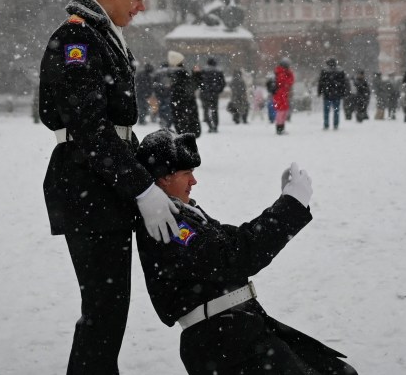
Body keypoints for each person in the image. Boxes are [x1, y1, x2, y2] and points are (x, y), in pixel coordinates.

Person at [37, 0, 180, 375]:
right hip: (88, 187)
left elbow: (111, 129)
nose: (142, 7)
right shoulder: (79, 38)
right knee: (104, 310)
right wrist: (140, 186)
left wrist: (152, 170)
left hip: (101, 185)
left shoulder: (100, 34)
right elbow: (89, 130)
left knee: (109, 310)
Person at [134, 128, 357, 375]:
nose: (194, 181)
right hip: (224, 342)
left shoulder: (181, 212)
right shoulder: (165, 221)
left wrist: (283, 203)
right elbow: (236, 256)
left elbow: (236, 239)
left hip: (234, 332)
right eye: (187, 173)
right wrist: (290, 206)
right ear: (164, 178)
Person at [168, 52, 202, 137]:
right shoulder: (183, 73)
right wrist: (196, 75)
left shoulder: (170, 74)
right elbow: (192, 87)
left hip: (177, 104)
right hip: (187, 105)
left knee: (180, 128)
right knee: (187, 131)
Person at [317, 58, 347, 130]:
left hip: (327, 94)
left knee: (326, 111)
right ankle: (335, 125)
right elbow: (343, 84)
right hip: (337, 94)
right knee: (336, 110)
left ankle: (326, 124)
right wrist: (343, 93)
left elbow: (321, 83)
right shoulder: (340, 71)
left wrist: (319, 92)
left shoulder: (324, 71)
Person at [200, 57, 226, 134]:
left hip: (205, 93)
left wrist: (203, 89)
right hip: (214, 94)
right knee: (214, 110)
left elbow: (200, 82)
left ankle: (209, 125)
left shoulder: (204, 71)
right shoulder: (218, 72)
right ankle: (215, 125)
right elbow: (222, 83)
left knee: (206, 110)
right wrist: (218, 90)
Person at [272, 57, 294, 135]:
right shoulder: (282, 73)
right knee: (281, 112)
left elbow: (290, 82)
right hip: (281, 94)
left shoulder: (281, 72)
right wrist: (290, 74)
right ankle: (280, 128)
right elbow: (288, 82)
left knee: (282, 112)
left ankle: (281, 128)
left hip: (282, 94)